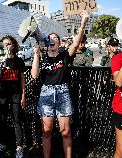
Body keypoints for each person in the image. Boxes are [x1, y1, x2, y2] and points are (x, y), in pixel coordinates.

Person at [31, 10, 89, 158]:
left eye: (55, 37)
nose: (52, 39)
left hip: (63, 93)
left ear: (59, 42)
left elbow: (76, 43)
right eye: (49, 38)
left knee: (66, 132)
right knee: (46, 131)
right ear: (46, 42)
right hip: (46, 94)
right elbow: (34, 75)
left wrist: (83, 22)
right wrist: (36, 55)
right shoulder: (42, 59)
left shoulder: (64, 56)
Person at [0, 35, 26, 158]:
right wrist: (1, 64)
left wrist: (23, 95)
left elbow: (22, 78)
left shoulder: (19, 61)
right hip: (3, 94)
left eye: (9, 44)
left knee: (17, 120)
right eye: (4, 44)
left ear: (13, 45)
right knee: (2, 120)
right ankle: (2, 143)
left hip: (16, 94)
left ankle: (19, 146)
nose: (6, 46)